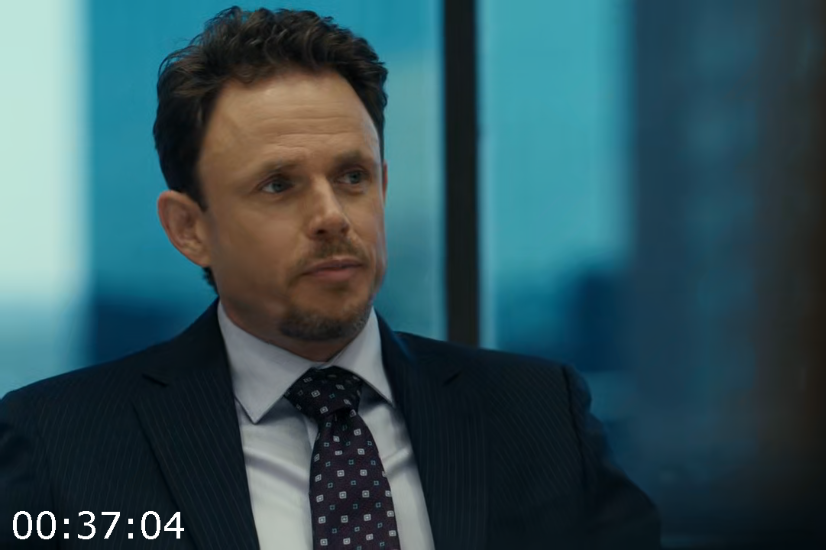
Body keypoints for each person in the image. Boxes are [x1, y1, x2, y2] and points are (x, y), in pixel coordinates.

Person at [0, 7, 659, 550]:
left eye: (352, 177)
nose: (332, 217)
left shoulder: (540, 415)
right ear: (189, 228)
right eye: (278, 185)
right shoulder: (60, 444)